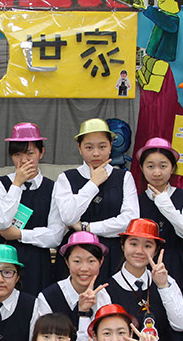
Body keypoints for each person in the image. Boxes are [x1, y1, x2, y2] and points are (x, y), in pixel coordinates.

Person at [54, 118, 138, 278]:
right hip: (76, 251)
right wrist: (93, 183)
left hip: (113, 253)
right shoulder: (66, 178)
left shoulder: (124, 177)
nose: (96, 153)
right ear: (79, 148)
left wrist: (87, 227)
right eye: (89, 147)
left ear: (111, 146)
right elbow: (68, 217)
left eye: (102, 146)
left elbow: (130, 221)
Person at [0, 122, 64, 296]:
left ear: (41, 152)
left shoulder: (53, 187)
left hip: (38, 261)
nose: (23, 160)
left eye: (30, 153)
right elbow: (0, 221)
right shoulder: (0, 184)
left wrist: (19, 234)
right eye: (17, 154)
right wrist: (17, 183)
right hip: (5, 260)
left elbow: (55, 236)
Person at [31, 231, 111, 341]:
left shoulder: (104, 296)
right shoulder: (48, 297)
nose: (84, 268)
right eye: (77, 261)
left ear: (101, 262)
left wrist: (84, 314)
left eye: (91, 261)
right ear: (67, 262)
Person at [136, 138, 183, 287]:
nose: (157, 172)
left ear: (173, 168)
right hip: (142, 263)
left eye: (163, 166)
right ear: (142, 168)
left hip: (175, 263)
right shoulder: (136, 200)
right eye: (150, 166)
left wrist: (165, 204)